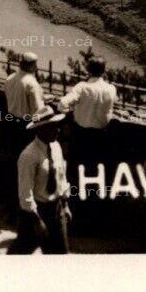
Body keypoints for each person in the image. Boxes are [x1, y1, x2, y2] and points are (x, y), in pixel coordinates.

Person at [58, 57, 117, 212]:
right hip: (101, 137)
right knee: (96, 175)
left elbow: (62, 104)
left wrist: (70, 111)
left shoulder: (82, 87)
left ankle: (75, 209)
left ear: (88, 70)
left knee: (76, 174)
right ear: (104, 71)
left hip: (81, 137)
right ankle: (92, 212)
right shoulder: (111, 89)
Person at [10, 105, 71, 254]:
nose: (58, 130)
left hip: (56, 210)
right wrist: (36, 221)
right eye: (52, 127)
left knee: (60, 256)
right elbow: (25, 193)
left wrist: (65, 205)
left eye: (57, 126)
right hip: (35, 213)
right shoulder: (29, 155)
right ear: (40, 129)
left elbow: (61, 178)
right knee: (19, 255)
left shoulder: (56, 147)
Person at [0, 52, 45, 208]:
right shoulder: (31, 84)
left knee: (12, 161)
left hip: (11, 122)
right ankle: (24, 200)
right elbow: (38, 111)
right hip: (25, 126)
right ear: (33, 65)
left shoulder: (10, 78)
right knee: (27, 165)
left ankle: (10, 198)